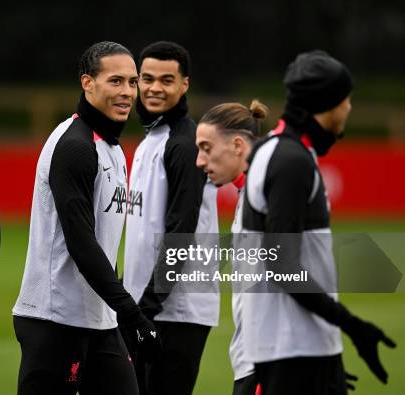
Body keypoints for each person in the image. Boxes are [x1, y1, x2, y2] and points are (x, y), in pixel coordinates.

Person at [239, 50, 396, 394]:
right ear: (327, 105)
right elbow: (282, 263)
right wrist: (353, 325)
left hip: (301, 348)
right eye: (346, 99)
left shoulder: (277, 151)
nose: (349, 108)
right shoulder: (291, 161)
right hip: (292, 352)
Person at [12, 41, 160, 395]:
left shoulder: (111, 146)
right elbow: (81, 242)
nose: (127, 92)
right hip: (55, 320)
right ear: (87, 83)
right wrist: (132, 313)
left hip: (99, 319)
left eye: (132, 82)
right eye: (115, 81)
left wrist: (119, 310)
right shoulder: (76, 146)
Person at [122, 41, 219, 395]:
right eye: (146, 79)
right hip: (147, 308)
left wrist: (148, 305)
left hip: (175, 312)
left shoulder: (184, 144)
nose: (154, 88)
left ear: (184, 85)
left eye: (166, 80)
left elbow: (182, 230)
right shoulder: (151, 138)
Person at [195, 100, 268, 395]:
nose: (200, 160)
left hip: (265, 364)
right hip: (252, 362)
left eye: (206, 148)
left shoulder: (267, 194)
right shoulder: (250, 193)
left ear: (237, 145)